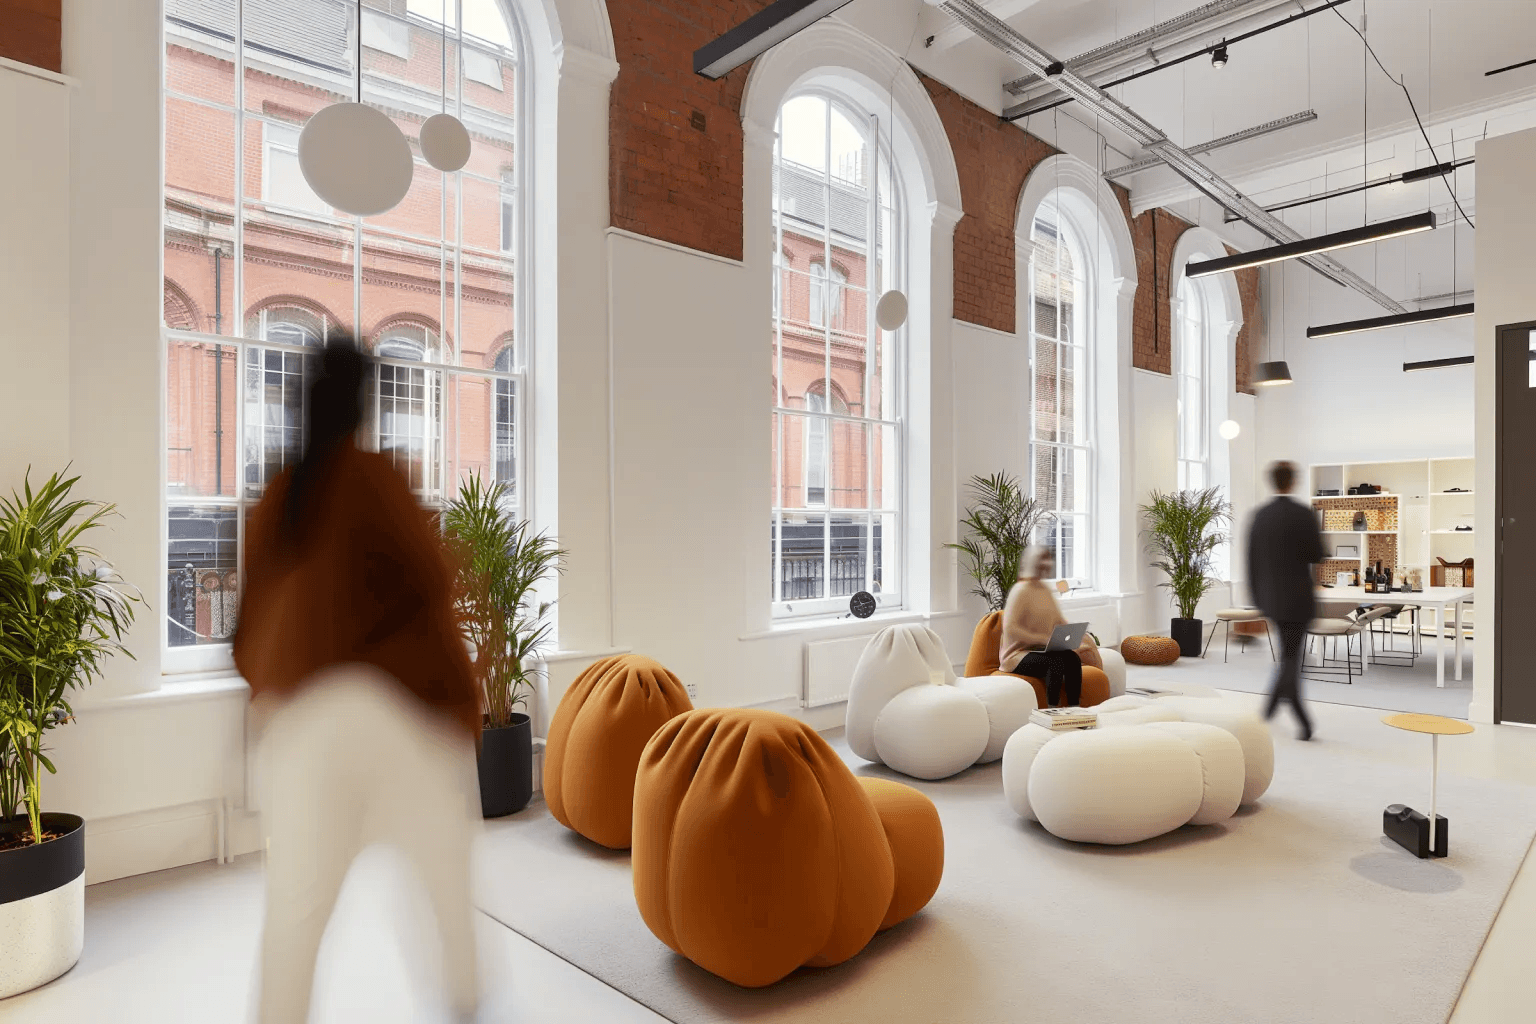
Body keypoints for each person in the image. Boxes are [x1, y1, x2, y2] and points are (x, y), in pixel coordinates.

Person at [233, 339, 484, 1024]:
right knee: (445, 894)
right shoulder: (375, 477)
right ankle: (466, 1007)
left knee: (295, 915)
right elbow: (433, 580)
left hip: (297, 722)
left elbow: (247, 636)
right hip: (396, 715)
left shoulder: (280, 496)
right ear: (364, 401)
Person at [1246, 460, 1325, 740]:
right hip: (1299, 598)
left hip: (1271, 599)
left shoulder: (1260, 516)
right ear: (1293, 481)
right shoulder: (1303, 514)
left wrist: (1257, 600)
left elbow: (1251, 562)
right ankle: (1301, 721)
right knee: (1292, 658)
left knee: (1288, 655)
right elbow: (1317, 554)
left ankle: (1268, 711)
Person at [999, 546, 1099, 706]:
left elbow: (1058, 620)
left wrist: (1075, 633)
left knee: (1072, 658)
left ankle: (1074, 707)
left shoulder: (1044, 589)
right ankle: (1052, 711)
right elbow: (1011, 629)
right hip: (1018, 655)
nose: (1047, 563)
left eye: (1048, 559)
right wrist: (1043, 638)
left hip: (1042, 649)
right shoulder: (1020, 590)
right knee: (1056, 662)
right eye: (1042, 559)